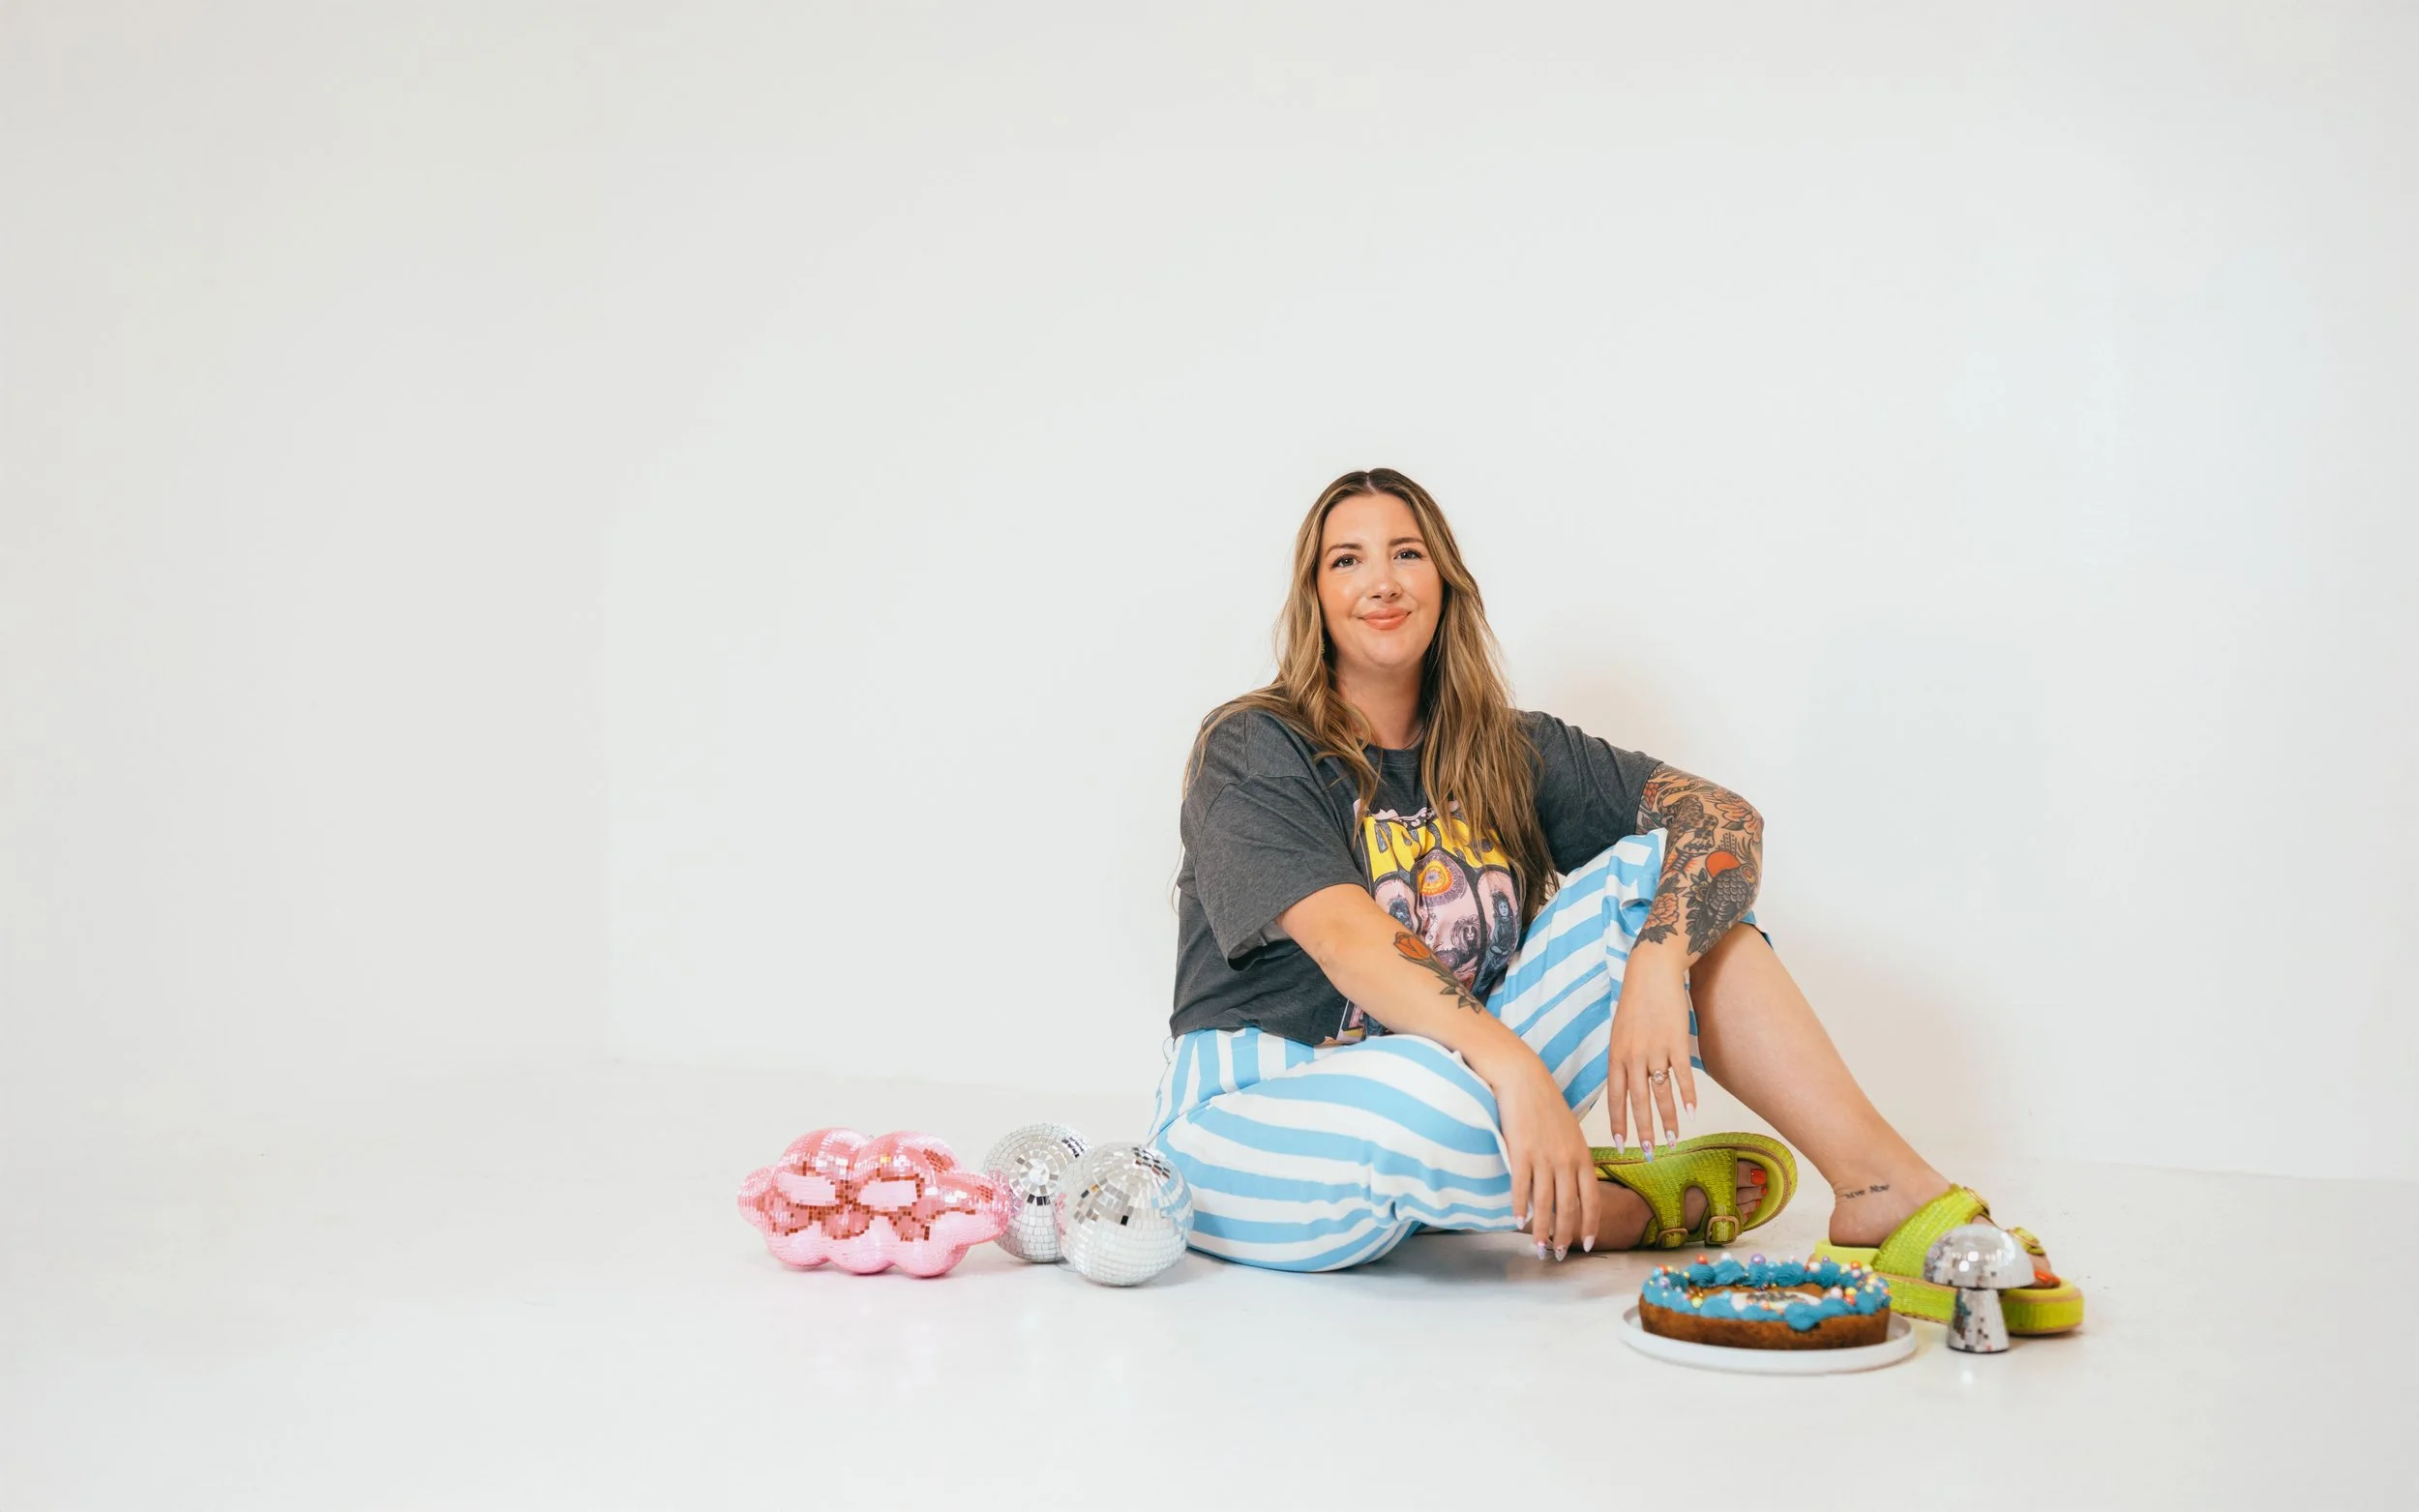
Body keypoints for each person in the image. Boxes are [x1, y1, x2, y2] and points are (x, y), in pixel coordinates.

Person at [1148, 467, 2082, 1335]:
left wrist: (1661, 953)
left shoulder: (1505, 748)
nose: (1380, 580)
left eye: (1407, 552)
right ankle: (1615, 1207)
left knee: (1673, 882)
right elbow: (1352, 940)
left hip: (1454, 1067)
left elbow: (1721, 819)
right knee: (1433, 1095)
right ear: (1314, 597)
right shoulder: (1255, 745)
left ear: (1446, 583)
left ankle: (1886, 1189)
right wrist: (1517, 1073)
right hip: (1252, 1105)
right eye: (1346, 559)